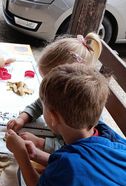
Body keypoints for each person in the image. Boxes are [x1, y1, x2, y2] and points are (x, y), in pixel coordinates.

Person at [7, 33, 102, 161]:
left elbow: (71, 152)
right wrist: (23, 118)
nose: (44, 85)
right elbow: (40, 103)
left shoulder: (81, 112)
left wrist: (40, 142)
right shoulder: (61, 93)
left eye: (47, 79)